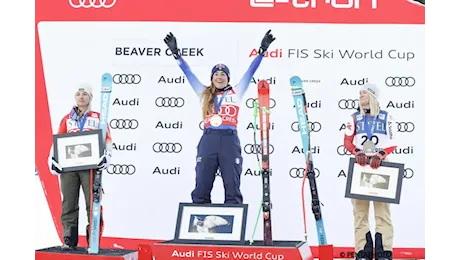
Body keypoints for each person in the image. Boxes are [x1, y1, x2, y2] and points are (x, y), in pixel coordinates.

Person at [163, 30, 275, 204]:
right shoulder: (203, 93)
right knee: (202, 185)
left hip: (229, 140)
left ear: (228, 78)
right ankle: (198, 225)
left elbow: (251, 72)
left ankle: (233, 226)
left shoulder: (236, 92)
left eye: (223, 74)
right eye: (216, 74)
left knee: (232, 185)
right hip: (209, 139)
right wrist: (176, 54)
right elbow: (188, 72)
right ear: (212, 78)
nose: (219, 76)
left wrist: (262, 51)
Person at [48, 84, 113, 250]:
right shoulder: (67, 119)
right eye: (78, 94)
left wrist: (108, 156)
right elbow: (58, 140)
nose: (81, 96)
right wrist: (52, 158)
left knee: (93, 203)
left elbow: (107, 138)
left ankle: (93, 239)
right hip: (69, 167)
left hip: (90, 167)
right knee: (68, 203)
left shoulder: (98, 117)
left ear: (90, 97)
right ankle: (69, 239)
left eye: (85, 94)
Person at [343, 83, 397, 260]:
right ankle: (363, 251)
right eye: (360, 93)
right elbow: (348, 141)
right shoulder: (354, 117)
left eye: (364, 93)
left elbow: (393, 141)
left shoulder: (386, 117)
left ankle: (384, 251)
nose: (361, 96)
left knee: (382, 211)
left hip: (381, 165)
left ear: (372, 96)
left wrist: (381, 154)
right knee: (360, 211)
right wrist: (356, 152)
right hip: (360, 165)